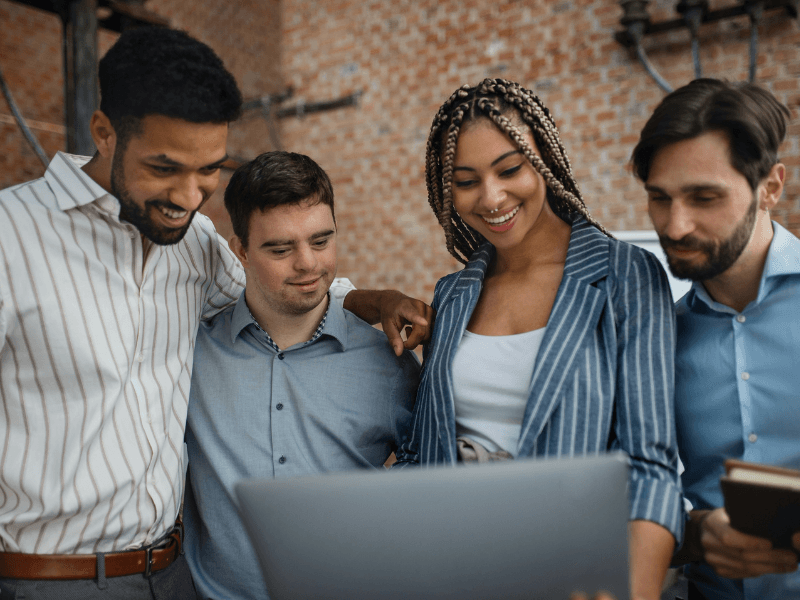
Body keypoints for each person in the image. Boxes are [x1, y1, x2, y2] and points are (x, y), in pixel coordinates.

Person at [0, 27, 430, 598]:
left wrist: (374, 301)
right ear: (104, 133)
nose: (187, 195)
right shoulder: (11, 235)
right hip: (49, 580)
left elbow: (292, 289)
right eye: (165, 167)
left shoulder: (195, 240)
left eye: (208, 170)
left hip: (172, 576)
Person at [393, 78, 683, 600]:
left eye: (509, 170)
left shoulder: (625, 276)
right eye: (465, 180)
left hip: (576, 575)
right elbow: (425, 453)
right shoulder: (453, 294)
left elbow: (650, 465)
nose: (492, 197)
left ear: (543, 159)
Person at [181, 151, 420, 600]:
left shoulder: (388, 360)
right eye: (280, 248)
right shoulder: (191, 357)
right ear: (241, 251)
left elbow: (429, 472)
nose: (308, 264)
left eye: (321, 240)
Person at [631, 78, 800, 600]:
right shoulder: (655, 334)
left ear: (770, 187)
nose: (676, 226)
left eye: (705, 197)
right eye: (660, 199)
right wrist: (699, 534)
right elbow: (638, 499)